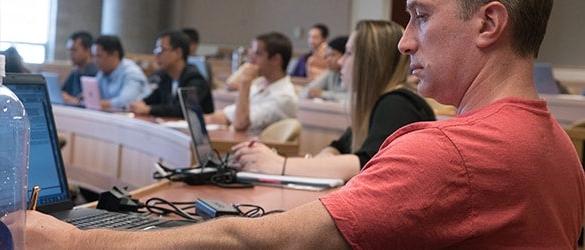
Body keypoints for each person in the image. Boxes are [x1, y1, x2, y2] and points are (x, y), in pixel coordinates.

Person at [25, 0, 585, 248]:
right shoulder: (557, 143)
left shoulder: (449, 153)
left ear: (489, 22)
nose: (404, 40)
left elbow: (276, 242)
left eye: (420, 15)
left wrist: (81, 244)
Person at [235, 21, 435, 181]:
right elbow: (338, 146)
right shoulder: (377, 105)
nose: (340, 62)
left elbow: (364, 163)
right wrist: (320, 165)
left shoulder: (397, 104)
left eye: (348, 53)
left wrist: (279, 164)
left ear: (369, 61)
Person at [204, 32, 297, 132]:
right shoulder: (259, 84)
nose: (251, 59)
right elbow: (226, 115)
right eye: (251, 53)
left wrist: (245, 83)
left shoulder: (284, 98)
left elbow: (240, 123)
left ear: (276, 59)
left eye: (257, 54)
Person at [130, 31, 214, 117]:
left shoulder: (194, 79)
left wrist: (149, 109)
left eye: (161, 50)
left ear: (178, 53)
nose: (156, 56)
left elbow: (183, 109)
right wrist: (139, 104)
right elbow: (153, 99)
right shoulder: (166, 77)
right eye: (156, 51)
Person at [92, 35, 151, 110]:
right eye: (93, 56)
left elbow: (126, 102)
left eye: (99, 56)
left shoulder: (132, 73)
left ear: (114, 54)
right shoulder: (101, 73)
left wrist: (98, 103)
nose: (94, 61)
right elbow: (95, 97)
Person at [300, 36, 348, 102]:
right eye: (327, 56)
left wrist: (322, 94)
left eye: (332, 55)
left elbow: (353, 98)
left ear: (345, 55)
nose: (328, 60)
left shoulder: (354, 75)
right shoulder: (331, 72)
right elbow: (307, 91)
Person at [61, 31, 99, 105]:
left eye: (74, 50)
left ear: (87, 50)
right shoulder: (75, 72)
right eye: (70, 50)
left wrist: (74, 101)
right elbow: (63, 92)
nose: (70, 54)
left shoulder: (96, 74)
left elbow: (90, 102)